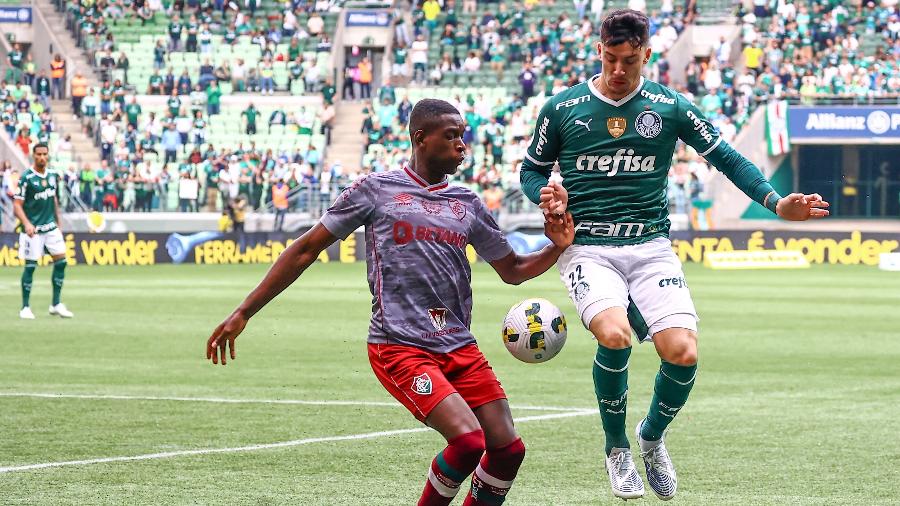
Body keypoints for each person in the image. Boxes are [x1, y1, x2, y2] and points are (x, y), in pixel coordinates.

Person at [519, 9, 830, 501]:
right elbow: (530, 171)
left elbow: (727, 157)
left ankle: (650, 438)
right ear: (599, 50)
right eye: (611, 59)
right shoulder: (563, 108)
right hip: (588, 247)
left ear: (647, 54)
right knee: (616, 335)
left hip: (650, 247)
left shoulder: (669, 106)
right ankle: (617, 447)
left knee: (682, 353)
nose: (620, 71)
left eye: (630, 61)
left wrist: (776, 202)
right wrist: (547, 193)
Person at [207, 99, 574, 506]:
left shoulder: (468, 203)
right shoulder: (376, 191)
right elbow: (305, 250)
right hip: (399, 345)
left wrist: (555, 247)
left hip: (458, 345)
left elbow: (513, 269)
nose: (461, 146)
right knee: (469, 441)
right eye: (451, 136)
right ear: (421, 138)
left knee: (508, 450)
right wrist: (244, 311)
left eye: (463, 137)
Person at [13, 143, 74, 320]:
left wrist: (59, 222)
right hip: (34, 230)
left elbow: (53, 199)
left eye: (44, 154)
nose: (42, 157)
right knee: (31, 267)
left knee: (61, 262)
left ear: (48, 156)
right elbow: (17, 205)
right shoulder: (26, 178)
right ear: (33, 155)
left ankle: (56, 304)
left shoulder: (53, 176)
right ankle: (25, 307)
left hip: (50, 227)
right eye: (38, 154)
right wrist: (26, 223)